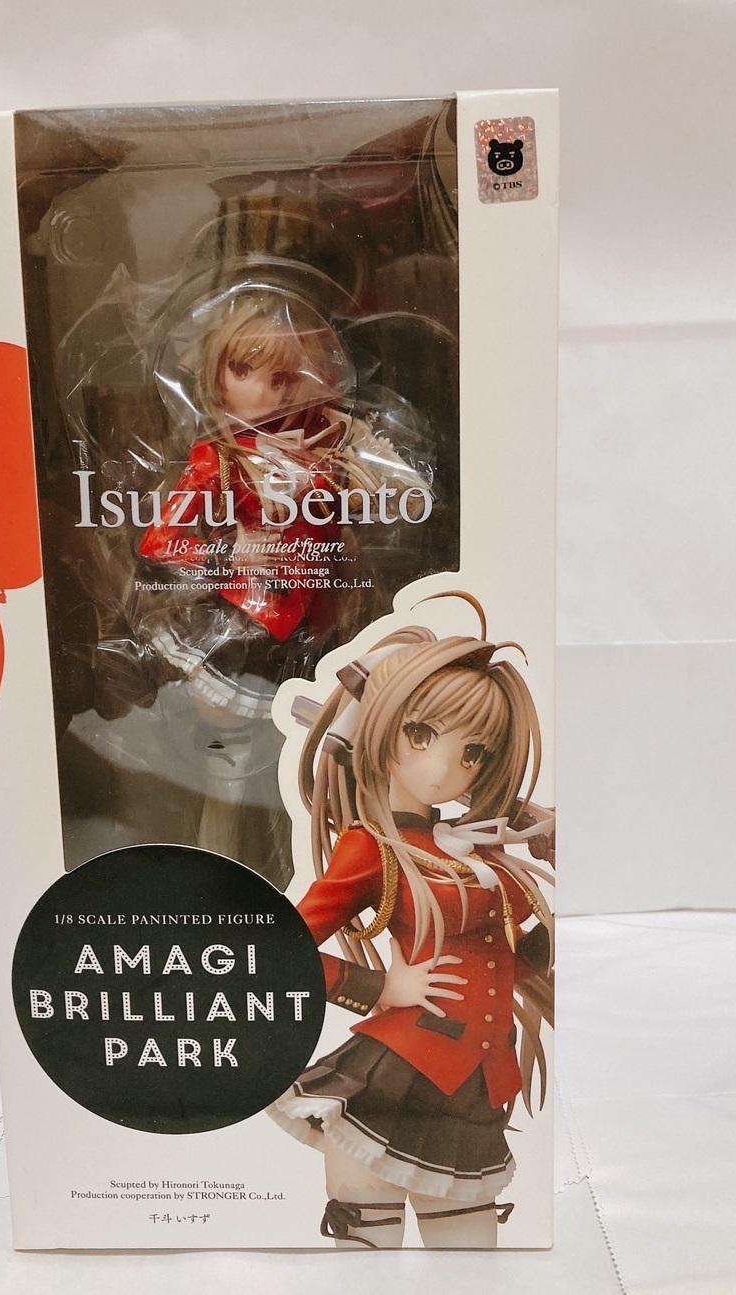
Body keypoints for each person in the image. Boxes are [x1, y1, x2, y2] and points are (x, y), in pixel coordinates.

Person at [269, 592, 554, 1248]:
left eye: (472, 752)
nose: (445, 768)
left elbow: (517, 961)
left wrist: (561, 867)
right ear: (381, 731)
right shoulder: (371, 847)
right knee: (368, 1255)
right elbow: (279, 949)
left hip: (474, 1088)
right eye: (421, 736)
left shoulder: (480, 851)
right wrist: (380, 987)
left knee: (471, 1264)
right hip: (395, 1077)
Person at [137, 286, 429, 885]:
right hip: (244, 632)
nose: (267, 392)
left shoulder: (334, 446)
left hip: (323, 629)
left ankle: (302, 879)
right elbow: (160, 543)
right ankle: (221, 882)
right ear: (217, 377)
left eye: (286, 376)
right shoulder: (217, 461)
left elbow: (406, 501)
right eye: (245, 371)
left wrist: (365, 487)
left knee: (309, 768)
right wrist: (229, 551)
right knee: (232, 770)